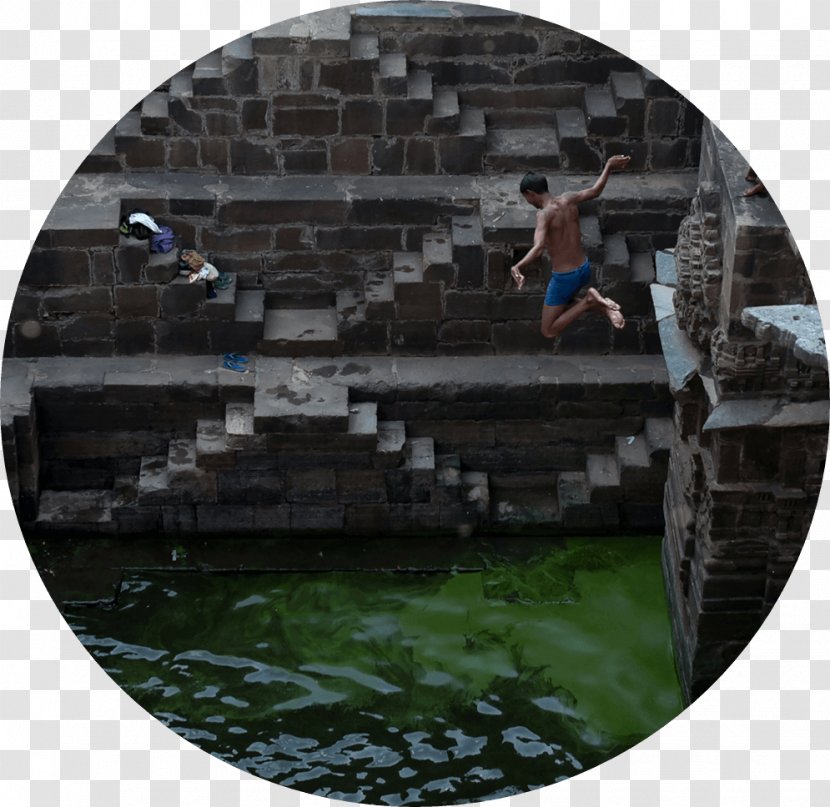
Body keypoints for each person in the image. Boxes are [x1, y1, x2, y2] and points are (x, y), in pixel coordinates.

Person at [511, 156, 630, 338]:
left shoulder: (544, 215)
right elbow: (595, 191)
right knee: (563, 304)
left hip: (565, 277)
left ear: (530, 193)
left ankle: (590, 300)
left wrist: (518, 266)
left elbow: (539, 247)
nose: (528, 201)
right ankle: (607, 309)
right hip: (583, 269)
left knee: (548, 330)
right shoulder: (568, 198)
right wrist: (608, 166)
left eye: (526, 198)